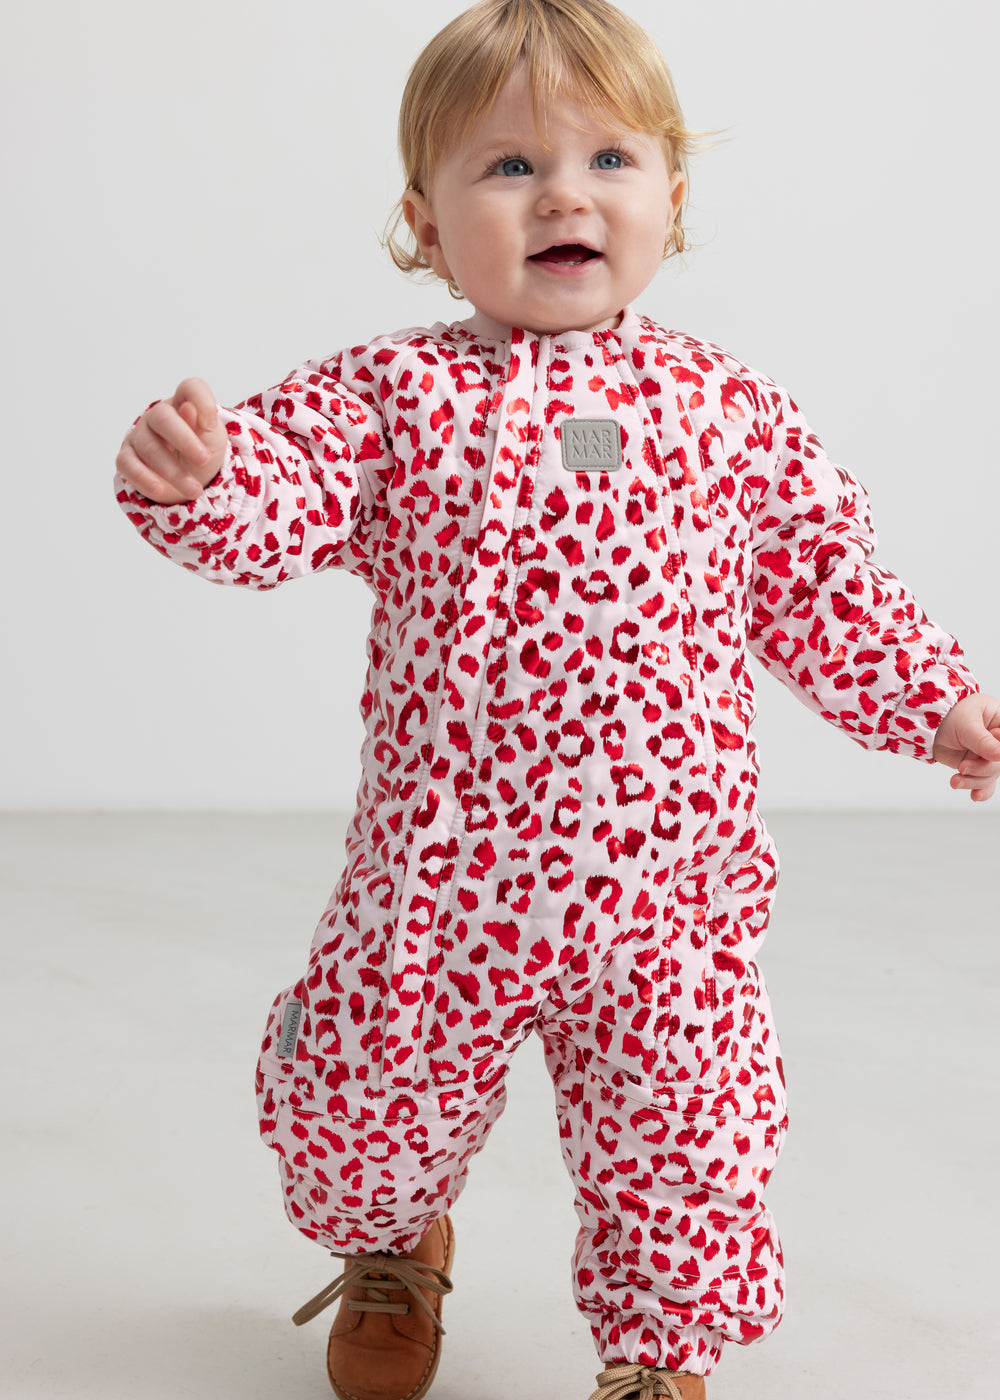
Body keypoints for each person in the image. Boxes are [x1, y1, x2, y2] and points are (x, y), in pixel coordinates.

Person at [112, 2, 1000, 1398]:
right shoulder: (392, 395)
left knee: (689, 1141)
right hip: (441, 880)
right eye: (509, 167)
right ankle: (394, 1241)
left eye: (609, 159)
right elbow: (281, 491)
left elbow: (822, 584)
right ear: (425, 217)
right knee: (361, 1108)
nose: (565, 194)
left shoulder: (726, 412)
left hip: (666, 892)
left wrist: (936, 698)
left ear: (675, 200)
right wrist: (203, 481)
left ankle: (660, 1351)